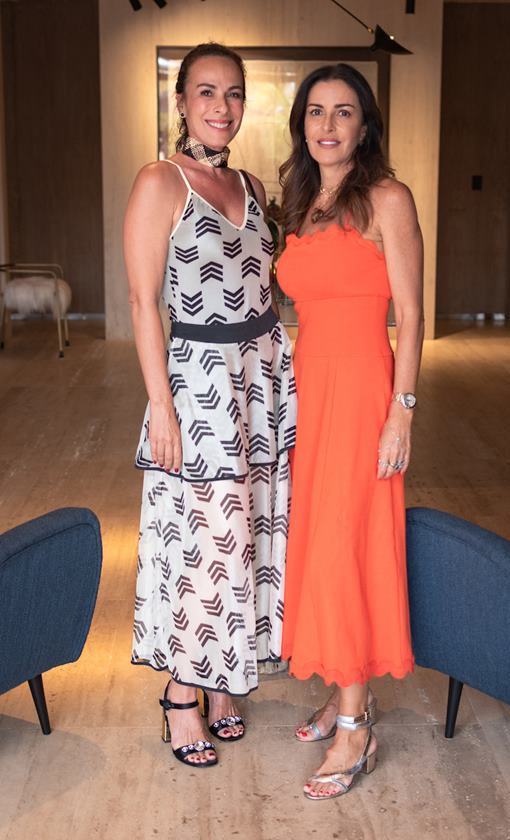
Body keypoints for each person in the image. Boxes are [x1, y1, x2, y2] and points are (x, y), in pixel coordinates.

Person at [123, 43, 296, 769]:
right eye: (206, 93)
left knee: (247, 534)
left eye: (233, 94)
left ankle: (228, 682)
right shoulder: (161, 181)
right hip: (197, 384)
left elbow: (274, 287)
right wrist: (160, 406)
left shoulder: (254, 184)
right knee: (201, 542)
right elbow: (141, 301)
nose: (221, 107)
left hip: (260, 381)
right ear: (181, 103)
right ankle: (183, 695)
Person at [277, 63, 423, 800]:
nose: (327, 126)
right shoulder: (301, 200)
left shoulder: (387, 198)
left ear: (365, 125)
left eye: (343, 113)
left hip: (366, 389)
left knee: (347, 547)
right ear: (302, 125)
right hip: (311, 392)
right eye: (315, 113)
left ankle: (356, 728)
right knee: (320, 544)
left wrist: (403, 408)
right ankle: (342, 690)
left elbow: (413, 314)